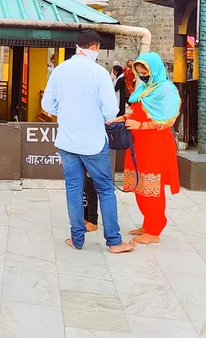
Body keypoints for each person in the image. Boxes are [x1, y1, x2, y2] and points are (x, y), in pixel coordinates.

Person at [41, 30, 135, 254]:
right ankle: (114, 241)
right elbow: (111, 110)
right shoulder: (99, 72)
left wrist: (65, 113)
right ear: (94, 48)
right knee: (105, 189)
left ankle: (77, 239)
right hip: (93, 142)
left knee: (73, 189)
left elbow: (47, 105)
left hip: (66, 141)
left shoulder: (59, 70)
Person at [120, 53, 181, 244]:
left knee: (153, 186)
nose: (142, 74)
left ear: (154, 70)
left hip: (156, 144)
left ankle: (155, 229)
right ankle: (148, 222)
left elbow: (168, 120)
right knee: (140, 184)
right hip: (138, 143)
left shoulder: (166, 90)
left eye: (145, 71)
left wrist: (141, 126)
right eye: (139, 72)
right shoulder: (144, 89)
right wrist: (123, 118)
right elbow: (137, 112)